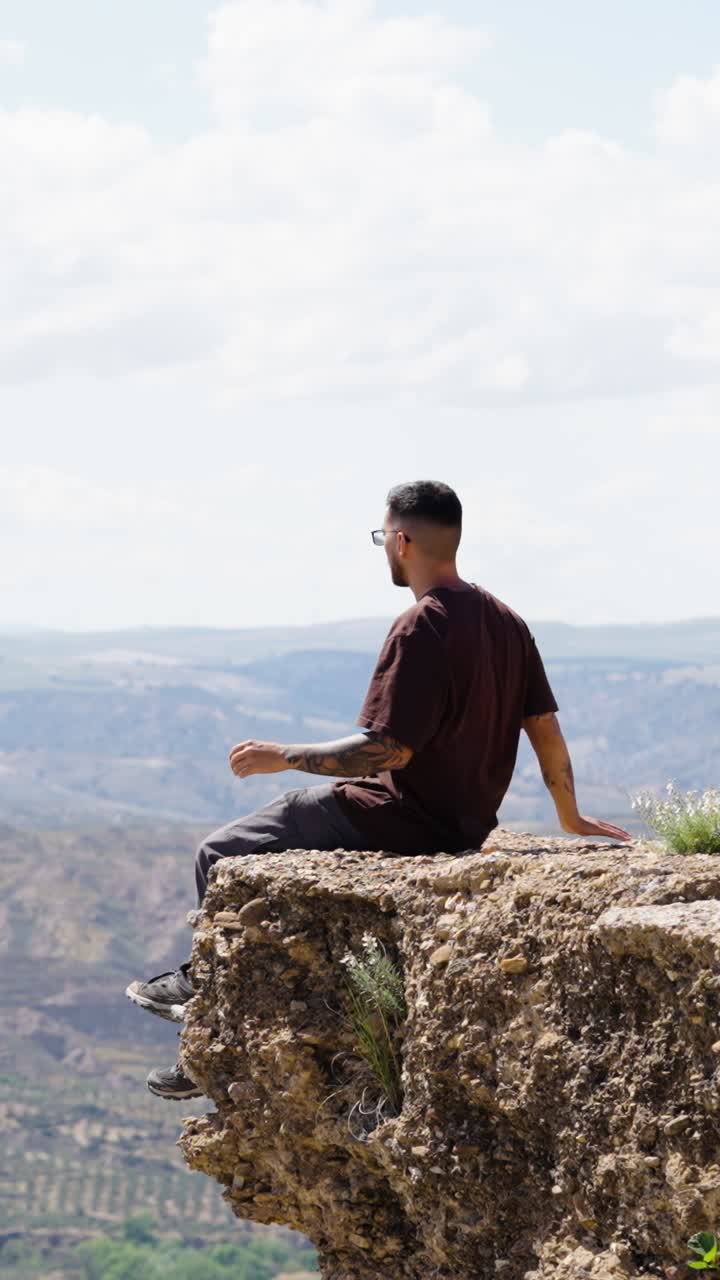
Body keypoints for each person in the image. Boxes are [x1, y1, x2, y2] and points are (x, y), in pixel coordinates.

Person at [126, 479, 631, 1099]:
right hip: (465, 826)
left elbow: (384, 751)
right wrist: (569, 815)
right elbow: (543, 726)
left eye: (380, 537)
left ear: (401, 540)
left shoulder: (422, 626)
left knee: (220, 852)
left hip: (395, 816)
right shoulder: (506, 621)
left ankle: (203, 1025)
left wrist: (279, 756)